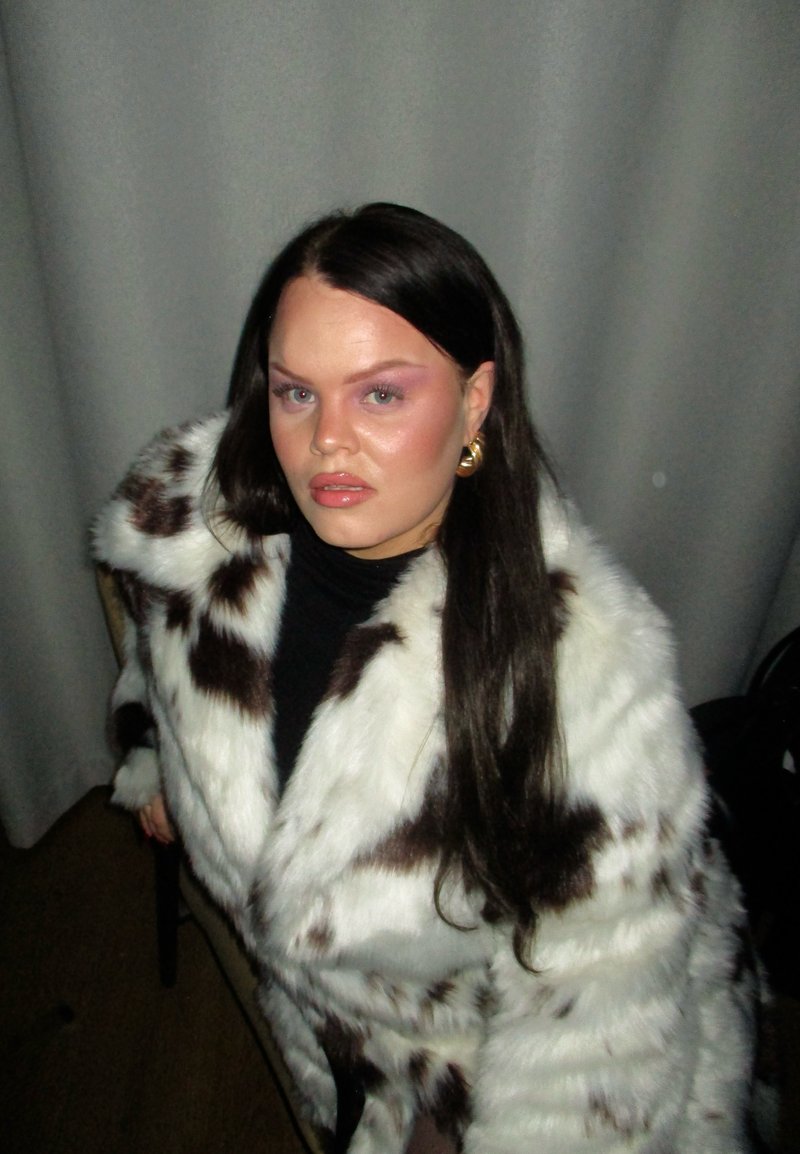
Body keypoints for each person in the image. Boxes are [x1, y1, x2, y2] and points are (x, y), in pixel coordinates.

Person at [94, 203, 757, 1153]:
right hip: (328, 1051)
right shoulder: (192, 532)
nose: (326, 443)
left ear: (475, 402)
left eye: (381, 395)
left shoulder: (585, 686)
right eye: (295, 393)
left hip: (475, 1083)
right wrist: (162, 758)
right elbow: (161, 655)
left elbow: (601, 1054)